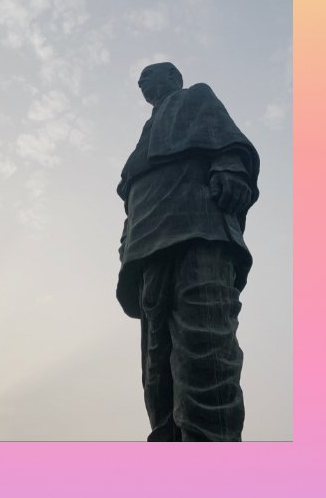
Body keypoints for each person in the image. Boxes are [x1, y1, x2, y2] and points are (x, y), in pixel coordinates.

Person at [117, 62, 259, 441]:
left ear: (173, 78)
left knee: (205, 348)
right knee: (157, 366)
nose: (143, 81)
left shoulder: (196, 98)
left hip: (199, 233)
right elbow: (131, 197)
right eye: (140, 78)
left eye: (151, 74)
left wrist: (230, 167)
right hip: (147, 246)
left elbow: (227, 142)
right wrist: (126, 239)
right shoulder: (144, 135)